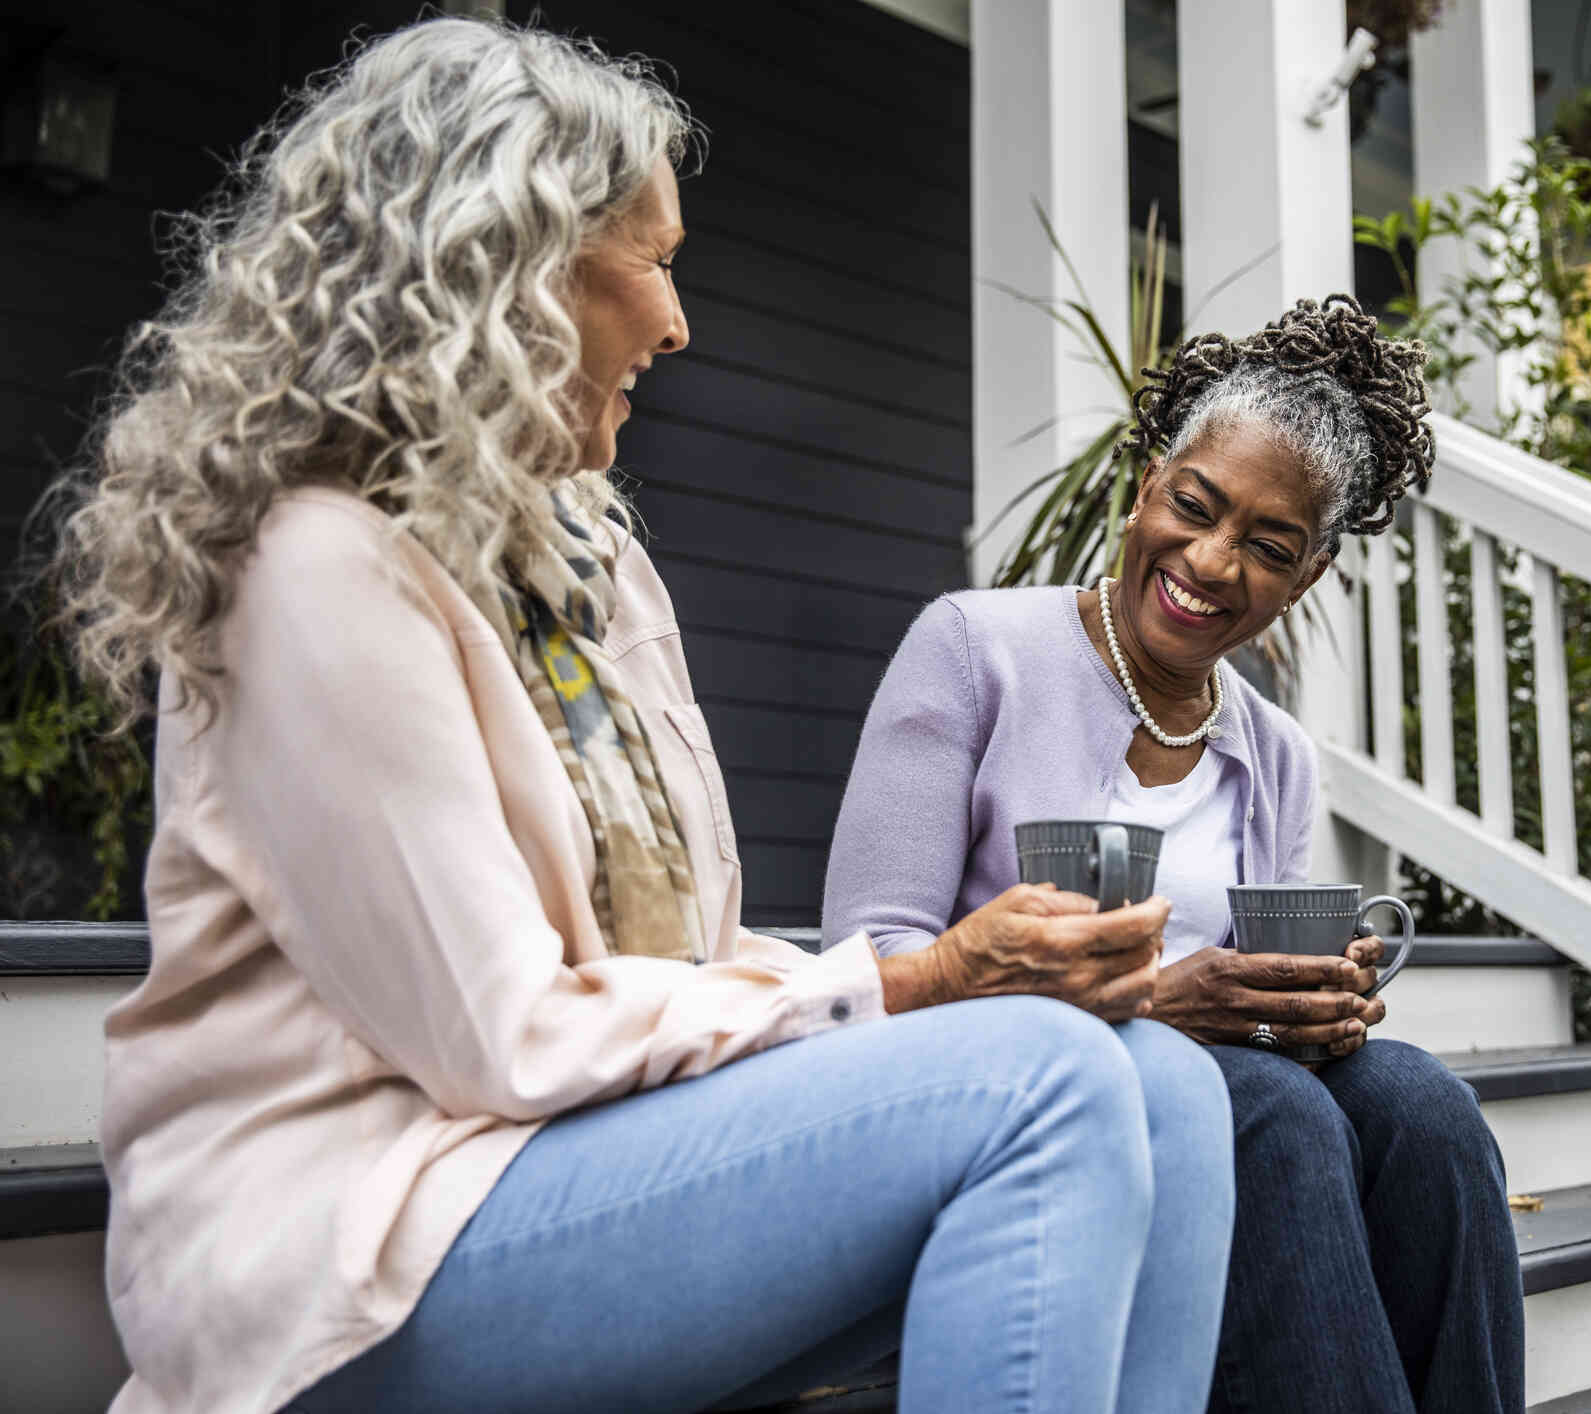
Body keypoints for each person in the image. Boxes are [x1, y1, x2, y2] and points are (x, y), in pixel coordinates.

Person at [47, 19, 1234, 1414]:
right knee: (1041, 1078)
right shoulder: (320, 564)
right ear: (503, 265)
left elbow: (696, 944)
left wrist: (954, 987)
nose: (677, 322)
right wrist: (918, 981)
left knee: (1162, 1082)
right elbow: (507, 1040)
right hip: (353, 1251)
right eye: (653, 258)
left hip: (587, 1167)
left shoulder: (587, 556)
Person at [824, 296, 1525, 1414]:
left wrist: (1309, 1005)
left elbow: (1250, 1007)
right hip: (1002, 1105)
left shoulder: (1277, 754)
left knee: (1424, 1109)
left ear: (1307, 576)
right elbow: (872, 965)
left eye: (1267, 546)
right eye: (1195, 506)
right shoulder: (973, 649)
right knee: (1269, 1110)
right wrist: (1157, 1006)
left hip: (1218, 1116)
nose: (1209, 560)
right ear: (1148, 479)